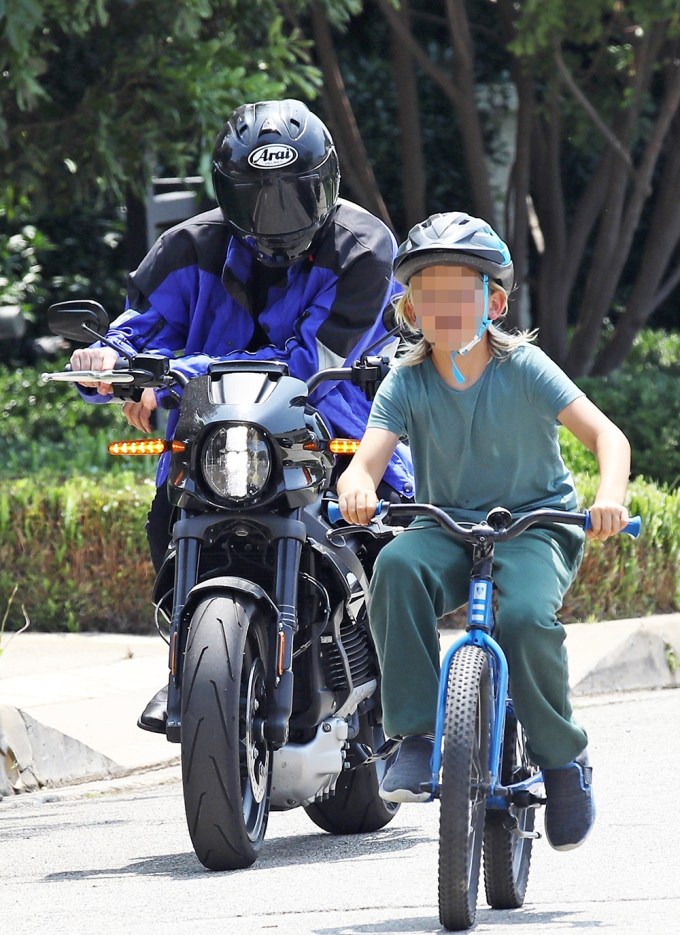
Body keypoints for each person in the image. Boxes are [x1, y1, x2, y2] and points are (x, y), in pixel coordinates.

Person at [70, 98, 413, 732]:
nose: (276, 217)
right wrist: (107, 362)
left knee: (384, 535)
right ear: (229, 196)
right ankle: (187, 666)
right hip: (214, 441)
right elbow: (135, 332)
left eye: (294, 196)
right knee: (166, 517)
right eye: (259, 199)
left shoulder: (364, 248)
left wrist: (178, 373)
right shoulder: (186, 248)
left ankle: (398, 680)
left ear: (328, 186)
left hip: (331, 432)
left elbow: (309, 361)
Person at [336, 211, 631, 851]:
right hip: (450, 530)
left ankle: (562, 759)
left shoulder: (523, 366)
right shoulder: (405, 380)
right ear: (410, 309)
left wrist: (610, 495)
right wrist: (357, 486)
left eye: (458, 291)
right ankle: (414, 735)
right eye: (427, 294)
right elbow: (367, 460)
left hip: (535, 527)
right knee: (396, 567)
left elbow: (608, 436)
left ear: (492, 301)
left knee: (526, 618)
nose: (442, 306)